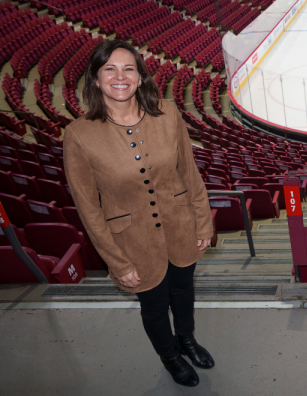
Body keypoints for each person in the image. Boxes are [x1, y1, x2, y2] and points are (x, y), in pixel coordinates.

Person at [63, 40, 214, 387]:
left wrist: (202, 220)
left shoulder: (168, 112)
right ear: (96, 80)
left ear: (140, 76)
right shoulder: (79, 135)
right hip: (133, 242)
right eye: (109, 69)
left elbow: (188, 172)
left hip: (181, 226)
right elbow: (89, 209)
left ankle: (187, 340)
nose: (120, 76)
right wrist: (117, 261)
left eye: (128, 68)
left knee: (184, 292)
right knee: (155, 307)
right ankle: (171, 356)